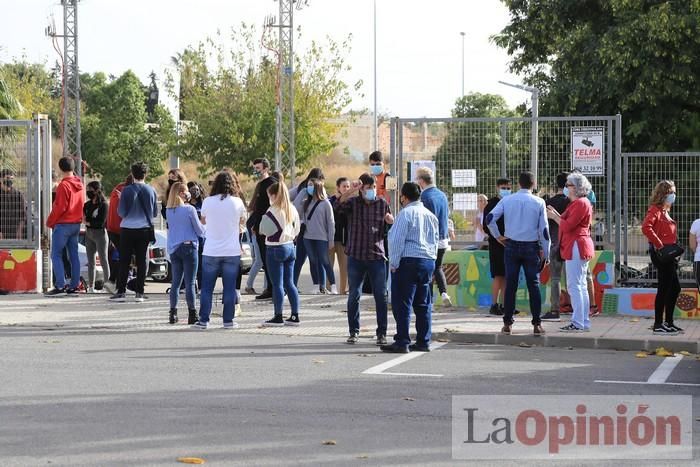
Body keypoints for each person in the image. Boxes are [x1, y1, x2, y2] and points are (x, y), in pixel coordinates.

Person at [487, 171, 550, 336]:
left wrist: (498, 236)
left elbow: (490, 218)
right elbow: (544, 230)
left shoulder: (507, 200)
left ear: (518, 184)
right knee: (533, 286)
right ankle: (537, 324)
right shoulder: (539, 202)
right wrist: (547, 252)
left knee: (510, 286)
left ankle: (507, 323)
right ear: (533, 184)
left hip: (511, 246)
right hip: (531, 247)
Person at [381, 182, 439, 353]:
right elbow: (435, 241)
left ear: (403, 197)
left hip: (408, 261)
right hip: (427, 260)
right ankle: (423, 340)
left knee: (402, 303)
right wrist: (432, 261)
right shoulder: (430, 215)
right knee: (423, 303)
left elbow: (396, 240)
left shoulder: (405, 213)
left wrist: (394, 263)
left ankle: (402, 341)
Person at [339, 173, 394, 345]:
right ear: (362, 189)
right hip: (356, 255)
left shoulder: (382, 204)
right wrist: (351, 191)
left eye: (374, 187)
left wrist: (390, 221)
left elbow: (389, 224)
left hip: (376, 256)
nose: (372, 190)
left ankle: (381, 333)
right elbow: (338, 205)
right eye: (368, 188)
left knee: (380, 295)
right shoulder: (353, 203)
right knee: (354, 294)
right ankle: (353, 331)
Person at [191, 171, 247, 330]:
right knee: (229, 288)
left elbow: (203, 220)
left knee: (207, 288)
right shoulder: (237, 202)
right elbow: (243, 221)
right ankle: (228, 320)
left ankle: (204, 320)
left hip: (211, 250)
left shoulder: (208, 201)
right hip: (231, 251)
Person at [547, 173, 594, 332]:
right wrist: (557, 215)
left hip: (576, 246)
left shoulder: (581, 203)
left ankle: (578, 322)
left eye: (569, 185)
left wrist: (554, 217)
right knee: (579, 285)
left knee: (575, 286)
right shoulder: (579, 203)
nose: (566, 188)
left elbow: (567, 226)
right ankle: (582, 321)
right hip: (577, 245)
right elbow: (568, 222)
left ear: (577, 187)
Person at [109, 162, 158, 303]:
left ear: (132, 173)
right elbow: (154, 212)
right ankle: (139, 293)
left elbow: (122, 212)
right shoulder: (151, 190)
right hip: (144, 230)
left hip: (127, 230)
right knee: (142, 261)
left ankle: (121, 292)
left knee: (124, 260)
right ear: (145, 174)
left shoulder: (127, 190)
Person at [641, 180, 683, 335]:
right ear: (664, 194)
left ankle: (668, 322)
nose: (674, 195)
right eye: (671, 192)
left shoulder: (665, 211)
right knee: (665, 288)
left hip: (668, 255)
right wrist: (660, 245)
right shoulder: (655, 210)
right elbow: (646, 227)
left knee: (674, 288)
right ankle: (658, 324)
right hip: (661, 255)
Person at [259, 181, 301, 326]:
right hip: (290, 247)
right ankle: (295, 315)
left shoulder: (272, 211)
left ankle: (278, 316)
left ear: (274, 195)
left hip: (275, 248)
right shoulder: (292, 209)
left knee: (277, 284)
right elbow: (297, 230)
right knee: (290, 283)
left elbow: (263, 230)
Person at [166, 182, 205, 325]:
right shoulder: (190, 209)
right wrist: (205, 226)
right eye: (187, 191)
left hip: (174, 249)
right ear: (182, 193)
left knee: (176, 283)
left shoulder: (169, 210)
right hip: (189, 247)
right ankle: (192, 313)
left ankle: (173, 313)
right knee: (190, 282)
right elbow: (199, 231)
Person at [45, 157, 84, 296]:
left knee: (56, 254)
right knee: (74, 255)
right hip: (76, 224)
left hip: (63, 224)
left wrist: (50, 222)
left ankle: (60, 285)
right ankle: (74, 285)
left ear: (61, 168)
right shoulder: (80, 185)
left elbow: (59, 207)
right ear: (73, 168)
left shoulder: (64, 185)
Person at [415, 166, 452, 307]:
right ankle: (444, 293)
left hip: (430, 240)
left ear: (421, 181)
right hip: (443, 239)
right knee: (438, 267)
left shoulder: (424, 197)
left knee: (427, 270)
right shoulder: (442, 195)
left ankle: (428, 302)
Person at [246, 158, 276, 300]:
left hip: (268, 227)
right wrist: (254, 224)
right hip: (259, 227)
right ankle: (269, 288)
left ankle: (273, 289)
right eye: (255, 168)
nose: (256, 171)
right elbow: (257, 207)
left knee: (269, 259)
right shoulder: (260, 185)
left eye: (258, 168)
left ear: (266, 168)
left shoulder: (272, 184)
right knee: (264, 258)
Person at [541, 172, 570, 322]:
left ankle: (555, 309)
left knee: (555, 279)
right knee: (573, 279)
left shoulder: (548, 203)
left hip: (554, 243)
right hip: (569, 244)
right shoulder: (571, 202)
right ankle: (575, 306)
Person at [291, 168, 324, 289]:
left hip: (308, 230)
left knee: (307, 260)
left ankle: (319, 286)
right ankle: (293, 285)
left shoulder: (303, 187)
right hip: (306, 230)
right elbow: (294, 206)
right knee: (304, 259)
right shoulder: (304, 190)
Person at [482, 178, 511, 315]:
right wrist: (498, 237)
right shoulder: (491, 204)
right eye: (503, 187)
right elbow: (486, 225)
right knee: (498, 276)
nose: (506, 190)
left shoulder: (510, 202)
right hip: (496, 244)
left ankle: (505, 305)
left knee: (506, 276)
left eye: (508, 187)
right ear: (497, 187)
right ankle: (494, 304)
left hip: (509, 243)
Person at [302, 178, 336, 294]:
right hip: (308, 237)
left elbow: (331, 222)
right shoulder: (306, 202)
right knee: (312, 261)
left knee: (325, 261)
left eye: (311, 185)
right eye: (308, 185)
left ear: (317, 187)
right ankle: (316, 286)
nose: (309, 187)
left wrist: (331, 239)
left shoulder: (326, 203)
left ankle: (333, 285)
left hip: (322, 237)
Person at [83, 181, 112, 293]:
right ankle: (91, 286)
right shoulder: (87, 205)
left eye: (90, 189)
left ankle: (107, 286)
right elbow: (85, 218)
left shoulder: (104, 205)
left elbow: (100, 222)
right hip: (89, 234)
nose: (88, 192)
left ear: (96, 190)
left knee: (104, 260)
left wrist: (89, 222)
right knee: (91, 262)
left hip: (100, 234)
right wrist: (88, 222)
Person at [106, 174, 133, 288]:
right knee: (126, 257)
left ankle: (115, 282)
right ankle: (116, 283)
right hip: (121, 229)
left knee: (122, 256)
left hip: (111, 228)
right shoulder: (128, 192)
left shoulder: (117, 188)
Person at [328, 177, 350, 294]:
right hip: (331, 239)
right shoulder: (330, 201)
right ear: (338, 188)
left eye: (348, 186)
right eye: (344, 186)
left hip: (344, 240)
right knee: (328, 265)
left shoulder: (351, 201)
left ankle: (343, 290)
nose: (346, 188)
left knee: (344, 267)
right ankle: (328, 288)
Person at [0, 168, 26, 241]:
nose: (10, 180)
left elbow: (23, 215)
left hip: (15, 230)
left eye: (11, 178)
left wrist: (19, 230)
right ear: (1, 179)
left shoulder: (18, 195)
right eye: (7, 178)